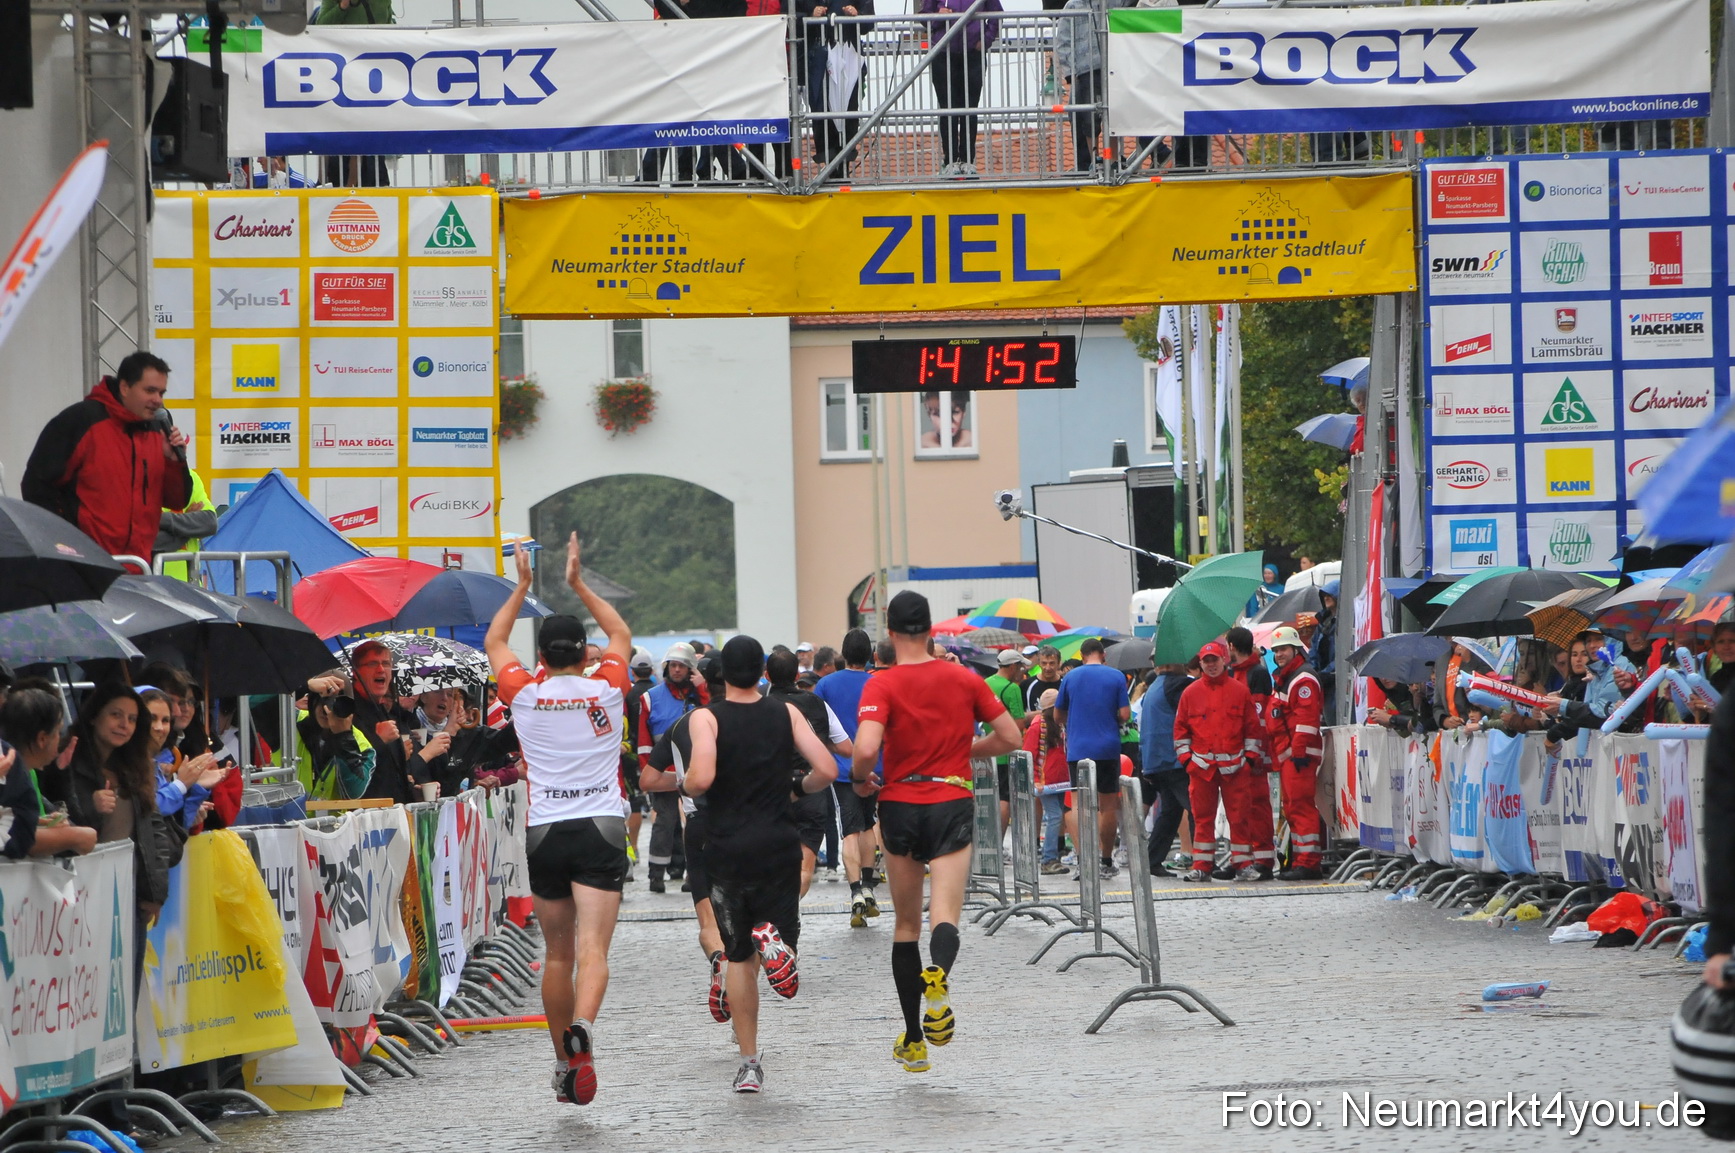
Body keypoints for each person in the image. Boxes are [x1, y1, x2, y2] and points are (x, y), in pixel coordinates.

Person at [483, 533, 634, 1107]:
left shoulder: (522, 691)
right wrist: (577, 582)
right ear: (586, 651)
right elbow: (620, 634)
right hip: (600, 823)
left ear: (542, 656)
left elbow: (494, 638)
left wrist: (522, 585)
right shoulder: (609, 684)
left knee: (559, 954)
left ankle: (563, 1064)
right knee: (594, 951)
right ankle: (586, 1028)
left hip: (544, 829)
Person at [852, 591, 1019, 1074]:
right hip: (951, 799)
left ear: (890, 628)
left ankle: (913, 1039)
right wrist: (966, 752)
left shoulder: (881, 685)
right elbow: (1010, 737)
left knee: (905, 926)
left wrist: (865, 778)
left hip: (900, 802)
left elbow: (865, 750)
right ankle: (938, 978)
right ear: (930, 629)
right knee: (944, 914)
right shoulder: (964, 678)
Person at [682, 635, 839, 1093]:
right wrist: (797, 789)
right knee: (779, 946)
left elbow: (702, 777)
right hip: (778, 842)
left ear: (722, 675)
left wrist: (689, 785)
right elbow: (827, 769)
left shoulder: (706, 718)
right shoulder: (785, 712)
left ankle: (749, 1063)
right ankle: (778, 945)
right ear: (765, 674)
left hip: (727, 848)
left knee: (737, 957)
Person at [22, 351, 192, 561]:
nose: (157, 400)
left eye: (162, 393)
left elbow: (177, 500)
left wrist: (173, 462)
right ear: (125, 387)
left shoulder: (158, 430)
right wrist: (65, 544)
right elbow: (36, 486)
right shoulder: (82, 421)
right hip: (86, 565)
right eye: (150, 391)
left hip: (140, 567)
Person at [637, 703, 731, 1027]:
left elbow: (647, 780)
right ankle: (745, 1030)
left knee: (710, 924)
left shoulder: (681, 726)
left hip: (700, 826)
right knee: (747, 924)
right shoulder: (758, 716)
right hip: (749, 825)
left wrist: (682, 782)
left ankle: (720, 960)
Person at [764, 649, 851, 897]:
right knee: (804, 867)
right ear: (798, 674)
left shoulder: (762, 706)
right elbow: (846, 748)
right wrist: (819, 743)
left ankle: (769, 917)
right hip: (811, 787)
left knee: (770, 863)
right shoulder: (817, 703)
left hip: (772, 789)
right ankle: (786, 915)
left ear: (767, 675)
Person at [1171, 642, 1260, 883]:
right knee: (1202, 819)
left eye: (1215, 660)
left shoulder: (1240, 691)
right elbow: (1180, 731)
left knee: (1240, 818)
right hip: (1201, 769)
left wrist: (1249, 760)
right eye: (1206, 661)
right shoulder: (1190, 693)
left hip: (1235, 768)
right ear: (1200, 664)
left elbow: (1252, 729)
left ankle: (1242, 864)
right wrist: (1188, 761)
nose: (1211, 665)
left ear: (1224, 661)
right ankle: (1202, 866)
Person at [814, 628, 883, 926]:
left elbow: (816, 724)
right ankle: (868, 885)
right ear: (869, 655)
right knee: (868, 824)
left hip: (842, 768)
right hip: (875, 767)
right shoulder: (878, 683)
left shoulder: (826, 684)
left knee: (849, 830)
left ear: (843, 654)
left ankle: (855, 889)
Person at [1053, 637, 1130, 879]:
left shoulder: (1070, 677)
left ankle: (1084, 860)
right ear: (1102, 655)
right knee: (1108, 805)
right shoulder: (1116, 676)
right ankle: (1106, 859)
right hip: (1107, 748)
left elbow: (1057, 715)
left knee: (1078, 804)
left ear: (1083, 655)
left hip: (1078, 748)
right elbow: (1125, 714)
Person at [638, 642, 707, 893]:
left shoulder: (701, 695)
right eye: (673, 665)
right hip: (663, 770)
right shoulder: (650, 698)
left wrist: (703, 688)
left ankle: (693, 873)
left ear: (691, 669)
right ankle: (656, 874)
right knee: (664, 822)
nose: (677, 670)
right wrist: (647, 772)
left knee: (696, 821)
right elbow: (644, 742)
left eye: (682, 666)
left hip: (697, 770)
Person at [0, 680, 96, 857]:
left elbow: (11, 820)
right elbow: (15, 836)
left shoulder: (29, 772)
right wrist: (71, 837)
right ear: (42, 738)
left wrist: (38, 822)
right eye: (58, 732)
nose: (60, 739)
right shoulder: (8, 771)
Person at [917, 0, 1002, 178]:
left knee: (969, 109)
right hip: (942, 52)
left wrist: (985, 40)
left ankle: (967, 161)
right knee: (947, 109)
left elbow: (997, 15)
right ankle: (949, 162)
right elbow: (924, 17)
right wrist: (938, 17)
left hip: (972, 55)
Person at [1267, 625, 1325, 880]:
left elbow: (1306, 719)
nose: (1280, 654)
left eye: (1284, 649)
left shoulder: (1302, 679)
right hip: (1290, 754)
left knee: (1301, 806)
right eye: (1277, 650)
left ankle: (1309, 862)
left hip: (1299, 755)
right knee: (1293, 807)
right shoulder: (1287, 677)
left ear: (1296, 649)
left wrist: (1298, 752)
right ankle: (1302, 859)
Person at [1224, 627, 1276, 880]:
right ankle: (1243, 860)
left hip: (1252, 752)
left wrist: (1255, 752)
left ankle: (1263, 860)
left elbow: (1258, 718)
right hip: (1237, 751)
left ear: (1232, 646)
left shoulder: (1256, 674)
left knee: (1257, 806)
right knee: (1240, 808)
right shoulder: (1236, 674)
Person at [141, 689, 227, 832]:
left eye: (165, 720)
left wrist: (196, 790)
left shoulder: (156, 763)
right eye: (152, 718)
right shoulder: (124, 764)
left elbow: (173, 826)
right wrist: (182, 784)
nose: (159, 728)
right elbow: (146, 811)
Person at [1137, 662, 1193, 877]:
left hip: (1157, 760)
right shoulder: (1177, 684)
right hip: (1174, 759)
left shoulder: (1154, 686)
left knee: (1170, 810)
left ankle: (1153, 859)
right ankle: (1204, 860)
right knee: (1195, 807)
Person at [1024, 687, 1072, 873]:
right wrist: (1035, 780)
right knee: (1055, 816)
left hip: (1060, 780)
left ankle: (1052, 857)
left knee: (1059, 817)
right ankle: (1048, 860)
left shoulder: (1060, 724)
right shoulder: (1038, 726)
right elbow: (1028, 755)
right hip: (1045, 782)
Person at [983, 649, 1030, 832]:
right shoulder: (1012, 689)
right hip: (1006, 751)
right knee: (1005, 797)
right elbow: (1018, 723)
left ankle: (989, 840)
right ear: (1012, 667)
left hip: (987, 747)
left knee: (989, 797)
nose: (1022, 671)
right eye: (1020, 667)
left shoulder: (985, 683)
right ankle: (1000, 840)